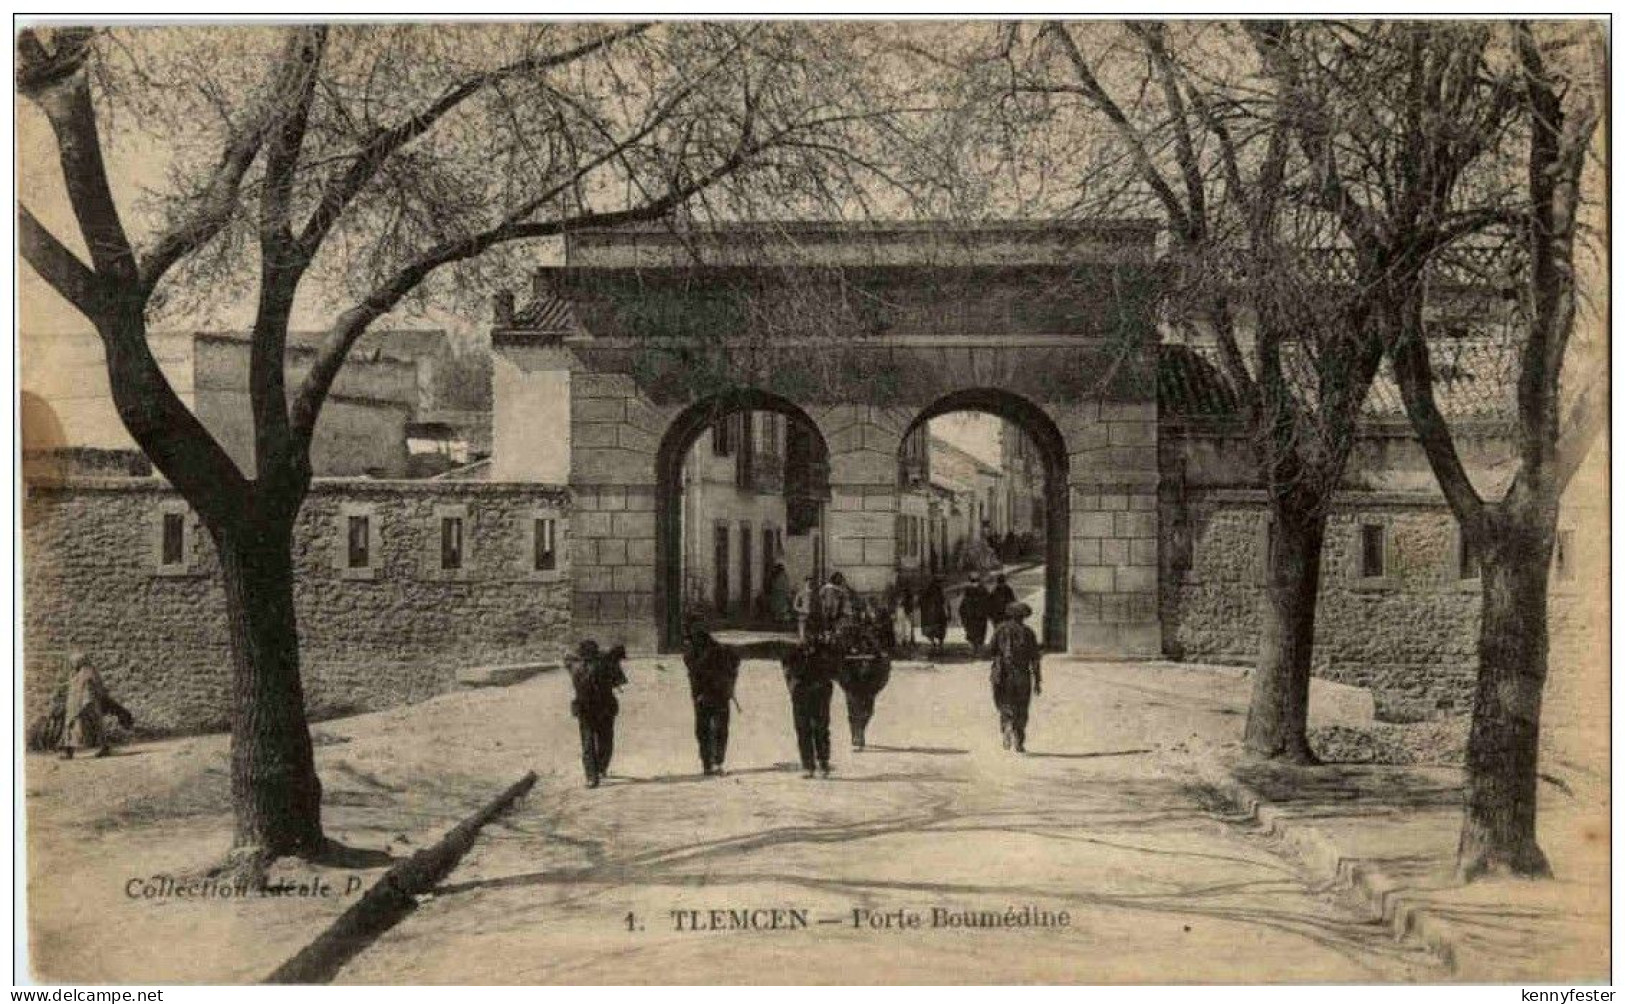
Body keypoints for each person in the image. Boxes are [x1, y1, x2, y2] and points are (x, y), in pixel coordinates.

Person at [682, 620, 741, 776]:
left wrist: (729, 683)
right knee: (711, 730)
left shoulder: (709, 650)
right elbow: (735, 663)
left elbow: (734, 663)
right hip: (709, 694)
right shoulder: (696, 651)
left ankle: (711, 763)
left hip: (710, 694)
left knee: (709, 730)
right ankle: (712, 762)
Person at [567, 640, 628, 787]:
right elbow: (618, 681)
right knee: (605, 740)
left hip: (584, 708)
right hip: (605, 707)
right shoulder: (606, 665)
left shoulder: (575, 667)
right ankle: (601, 767)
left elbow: (568, 659)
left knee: (587, 742)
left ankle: (591, 777)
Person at [57, 652, 133, 759]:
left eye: (74, 662)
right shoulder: (75, 673)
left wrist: (89, 702)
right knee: (72, 727)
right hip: (75, 706)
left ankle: (104, 748)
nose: (73, 664)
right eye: (72, 662)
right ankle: (69, 752)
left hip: (88, 705)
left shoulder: (89, 672)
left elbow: (95, 688)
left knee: (94, 727)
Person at [989, 602, 1042, 752]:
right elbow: (1035, 659)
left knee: (1004, 703)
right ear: (1023, 617)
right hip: (1022, 675)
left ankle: (1006, 726)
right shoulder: (1029, 632)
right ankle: (1019, 737)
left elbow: (991, 650)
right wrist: (1038, 680)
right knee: (1022, 706)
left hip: (1002, 674)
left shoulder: (1000, 629)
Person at [782, 639, 837, 778]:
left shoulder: (825, 649)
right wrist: (793, 686)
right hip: (801, 693)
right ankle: (808, 765)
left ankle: (823, 762)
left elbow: (834, 668)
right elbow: (787, 670)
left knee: (821, 727)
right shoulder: (793, 651)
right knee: (802, 728)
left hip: (820, 691)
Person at [836, 618, 892, 751]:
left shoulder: (870, 640)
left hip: (868, 681)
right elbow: (838, 658)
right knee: (853, 707)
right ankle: (857, 733)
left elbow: (882, 658)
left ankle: (860, 729)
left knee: (868, 710)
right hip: (852, 679)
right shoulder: (845, 640)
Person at [958, 573, 990, 656]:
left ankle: (973, 650)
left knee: (971, 631)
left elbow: (964, 603)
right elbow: (988, 602)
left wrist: (962, 613)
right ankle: (979, 650)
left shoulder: (968, 590)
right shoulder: (983, 589)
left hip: (970, 616)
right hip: (980, 615)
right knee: (980, 632)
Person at [815, 571, 851, 642]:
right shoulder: (828, 587)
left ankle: (830, 637)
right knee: (828, 621)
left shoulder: (837, 588)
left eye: (840, 579)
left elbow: (842, 597)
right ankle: (827, 637)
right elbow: (820, 594)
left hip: (833, 607)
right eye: (837, 578)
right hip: (829, 607)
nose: (839, 580)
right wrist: (823, 601)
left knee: (832, 621)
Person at [918, 577, 949, 656]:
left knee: (932, 630)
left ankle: (934, 643)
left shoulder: (927, 591)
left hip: (930, 616)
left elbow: (921, 601)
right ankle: (939, 644)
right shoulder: (938, 591)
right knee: (940, 630)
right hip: (938, 615)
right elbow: (943, 601)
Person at [891, 582, 916, 654]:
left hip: (905, 612)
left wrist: (910, 612)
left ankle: (906, 643)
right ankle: (900, 644)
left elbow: (910, 604)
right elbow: (892, 605)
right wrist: (893, 613)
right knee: (898, 628)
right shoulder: (894, 594)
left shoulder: (908, 595)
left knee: (907, 627)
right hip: (898, 612)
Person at [767, 562, 793, 628]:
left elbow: (784, 586)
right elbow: (785, 586)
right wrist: (787, 592)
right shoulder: (781, 577)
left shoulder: (778, 577)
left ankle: (780, 621)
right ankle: (780, 621)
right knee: (781, 608)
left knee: (780, 608)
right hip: (780, 594)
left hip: (779, 594)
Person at [793, 576, 815, 644]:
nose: (809, 583)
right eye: (808, 582)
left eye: (811, 582)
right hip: (803, 614)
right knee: (802, 625)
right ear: (805, 582)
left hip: (813, 615)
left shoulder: (815, 593)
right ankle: (802, 639)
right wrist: (801, 610)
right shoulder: (801, 593)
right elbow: (795, 606)